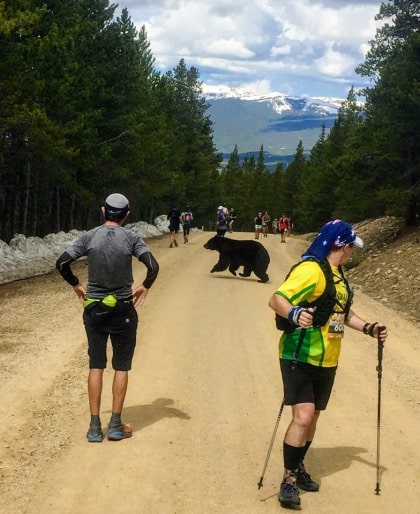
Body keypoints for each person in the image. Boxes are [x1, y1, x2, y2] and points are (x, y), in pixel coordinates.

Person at [268, 219, 388, 509]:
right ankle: (288, 480)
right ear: (341, 245)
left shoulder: (337, 274)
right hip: (299, 354)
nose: (352, 253)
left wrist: (369, 328)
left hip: (328, 358)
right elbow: (277, 299)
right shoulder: (311, 269)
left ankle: (298, 467)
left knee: (314, 419)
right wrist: (295, 313)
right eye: (351, 248)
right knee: (304, 417)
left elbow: (342, 313)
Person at [55, 193, 159, 443]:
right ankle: (114, 425)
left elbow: (61, 263)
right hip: (123, 308)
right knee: (121, 366)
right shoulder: (132, 238)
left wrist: (76, 284)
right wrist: (145, 285)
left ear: (103, 211)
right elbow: (153, 266)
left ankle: (93, 428)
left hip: (94, 309)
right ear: (127, 215)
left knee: (96, 365)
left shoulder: (89, 236)